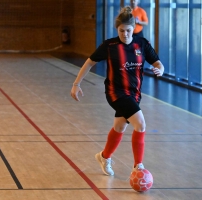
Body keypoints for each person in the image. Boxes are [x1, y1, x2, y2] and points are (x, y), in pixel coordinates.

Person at [70, 6, 164, 176]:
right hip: (115, 92)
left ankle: (104, 157)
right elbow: (89, 62)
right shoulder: (110, 45)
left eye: (128, 30)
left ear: (134, 28)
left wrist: (160, 69)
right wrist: (77, 83)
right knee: (140, 124)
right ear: (117, 29)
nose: (125, 34)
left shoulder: (142, 44)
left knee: (119, 127)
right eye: (121, 31)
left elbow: (157, 63)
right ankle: (138, 167)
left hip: (134, 94)